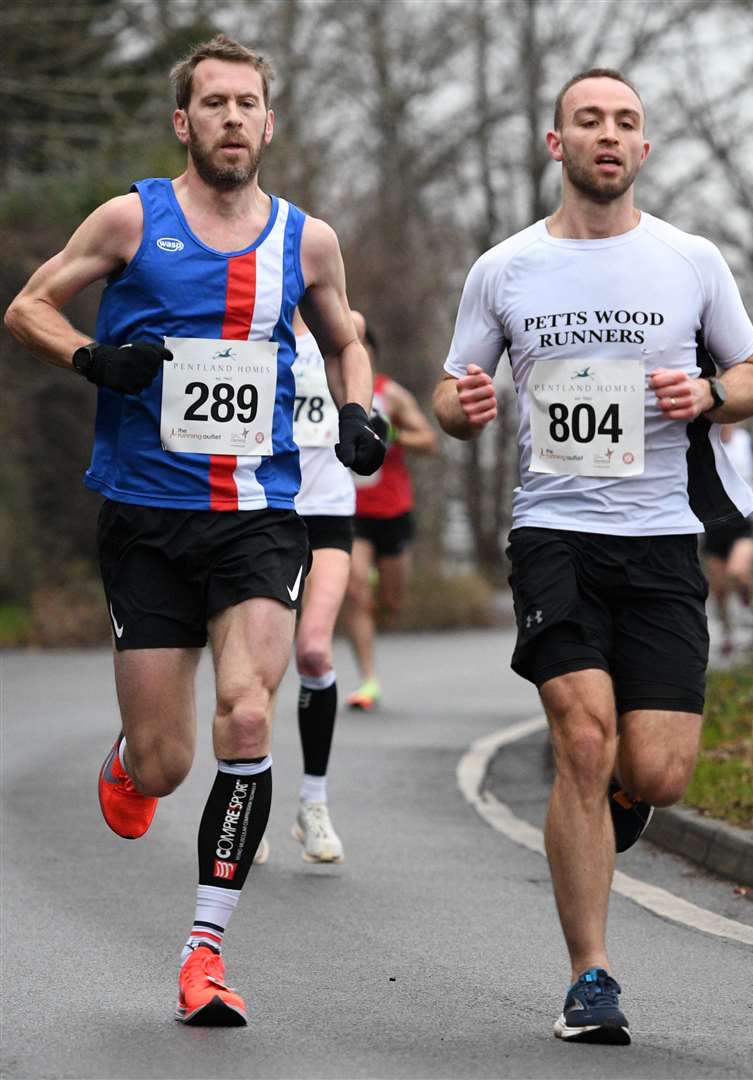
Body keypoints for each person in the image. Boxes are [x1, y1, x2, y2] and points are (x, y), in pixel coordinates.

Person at [3, 35, 384, 1026]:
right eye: (210, 103)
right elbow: (28, 306)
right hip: (146, 517)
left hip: (258, 515)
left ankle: (204, 956)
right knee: (168, 761)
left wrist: (360, 413)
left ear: (269, 121)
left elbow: (347, 339)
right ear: (184, 122)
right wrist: (94, 359)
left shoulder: (307, 241)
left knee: (250, 716)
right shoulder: (135, 217)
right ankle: (130, 764)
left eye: (245, 103)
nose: (229, 119)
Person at [434, 68, 753, 1046]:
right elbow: (457, 392)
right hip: (554, 535)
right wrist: (465, 407)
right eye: (589, 120)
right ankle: (591, 975)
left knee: (656, 770)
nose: (608, 135)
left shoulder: (690, 260)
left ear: (645, 147)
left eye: (625, 122)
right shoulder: (505, 269)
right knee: (582, 737)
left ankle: (623, 795)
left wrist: (709, 397)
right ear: (556, 144)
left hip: (663, 537)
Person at [257, 309, 357, 866]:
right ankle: (251, 803)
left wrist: (369, 427)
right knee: (261, 669)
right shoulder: (244, 325)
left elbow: (360, 397)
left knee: (314, 651)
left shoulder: (344, 328)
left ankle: (313, 804)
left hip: (328, 515)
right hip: (266, 510)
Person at [342, 314, 437, 711]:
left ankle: (384, 597)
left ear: (372, 356)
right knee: (356, 589)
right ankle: (368, 680)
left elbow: (429, 440)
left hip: (393, 509)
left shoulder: (390, 394)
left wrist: (393, 433)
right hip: (351, 510)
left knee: (391, 605)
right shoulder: (328, 390)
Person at [701, 423, 753, 656]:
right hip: (713, 525)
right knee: (719, 588)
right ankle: (727, 632)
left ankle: (752, 617)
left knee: (737, 573)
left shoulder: (746, 442)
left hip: (744, 523)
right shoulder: (705, 443)